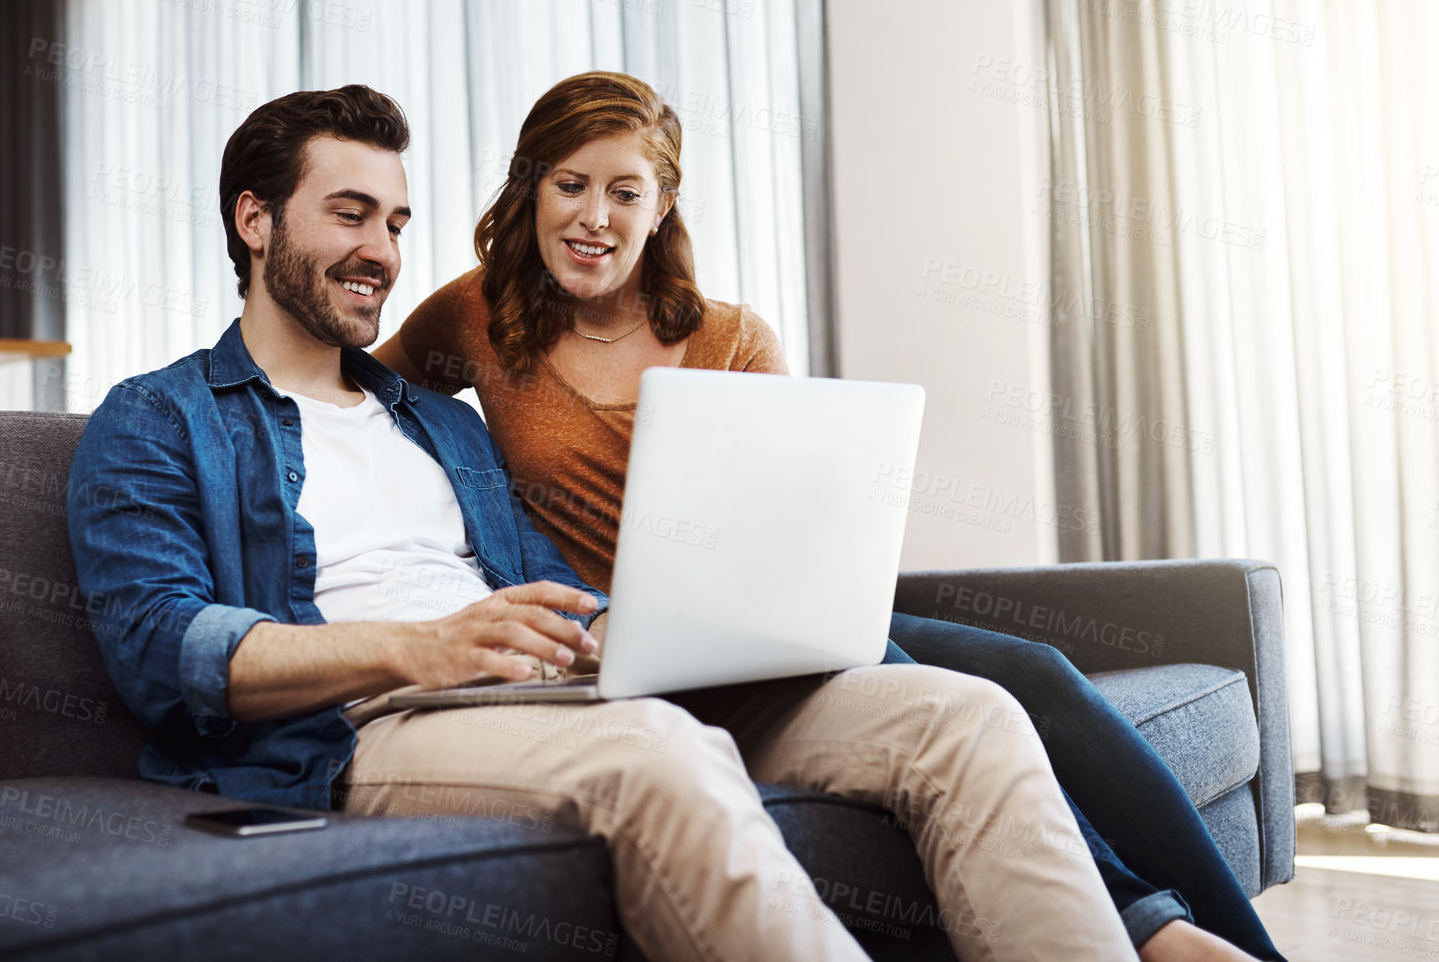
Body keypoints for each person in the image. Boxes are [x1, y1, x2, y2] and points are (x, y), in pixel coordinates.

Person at [67, 84, 1139, 961]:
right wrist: (427, 644)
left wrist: (657, 627)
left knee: (961, 716)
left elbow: (542, 575)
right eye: (349, 214)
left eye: (394, 223)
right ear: (254, 220)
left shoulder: (439, 421)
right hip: (374, 720)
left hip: (574, 683)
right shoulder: (158, 417)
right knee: (654, 749)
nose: (382, 252)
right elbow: (162, 650)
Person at [374, 71, 1284, 962]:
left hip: (744, 626)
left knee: (1031, 669)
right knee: (981, 690)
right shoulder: (476, 314)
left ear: (663, 205)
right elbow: (356, 395)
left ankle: (1231, 947)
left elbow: (787, 519)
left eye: (624, 191)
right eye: (567, 185)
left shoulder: (732, 337)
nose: (592, 217)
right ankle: (1150, 932)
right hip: (607, 651)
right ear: (529, 191)